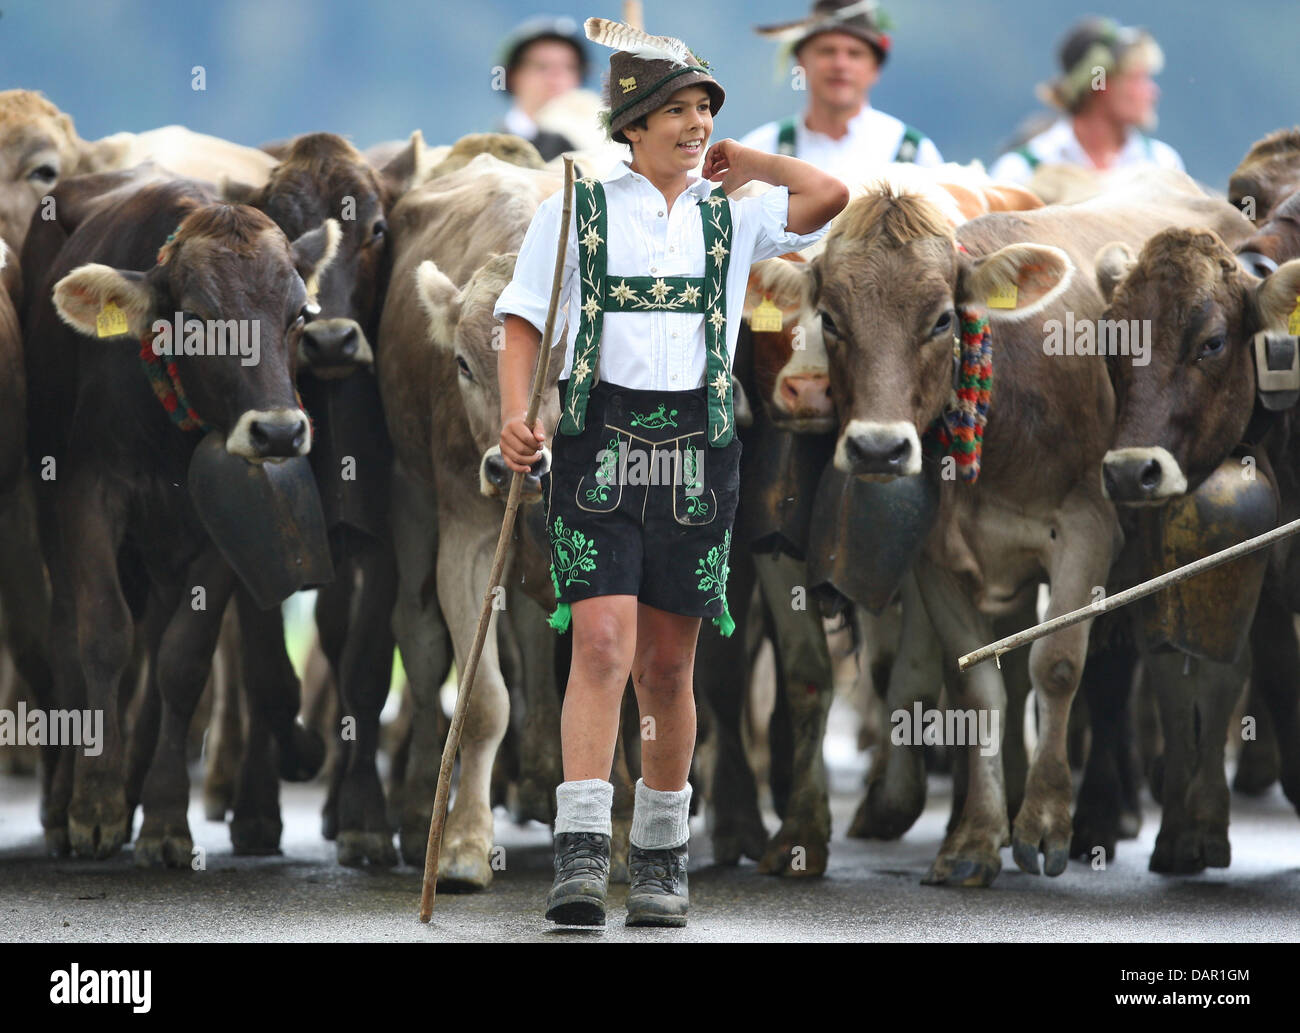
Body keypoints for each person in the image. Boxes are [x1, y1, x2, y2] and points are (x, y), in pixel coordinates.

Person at [493, 16, 847, 929]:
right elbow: (524, 320)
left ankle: (658, 855)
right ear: (632, 124)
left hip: (699, 451)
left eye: (702, 109)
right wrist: (518, 412)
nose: (694, 125)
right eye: (677, 111)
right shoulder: (571, 210)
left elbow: (833, 191)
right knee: (601, 647)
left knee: (666, 663)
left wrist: (749, 158)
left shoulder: (741, 211)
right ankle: (579, 854)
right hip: (596, 447)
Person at [740, 0, 943, 179]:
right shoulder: (760, 150)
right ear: (801, 63)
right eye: (827, 51)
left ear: (875, 68)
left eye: (855, 54)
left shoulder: (916, 155)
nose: (840, 64)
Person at [988, 16, 1184, 184]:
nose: (1153, 92)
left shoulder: (1164, 165)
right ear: (1100, 83)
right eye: (1137, 78)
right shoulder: (1023, 172)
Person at [495, 15, 589, 161]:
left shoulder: (600, 148)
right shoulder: (483, 153)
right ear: (513, 76)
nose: (556, 77)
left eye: (569, 68)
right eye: (542, 66)